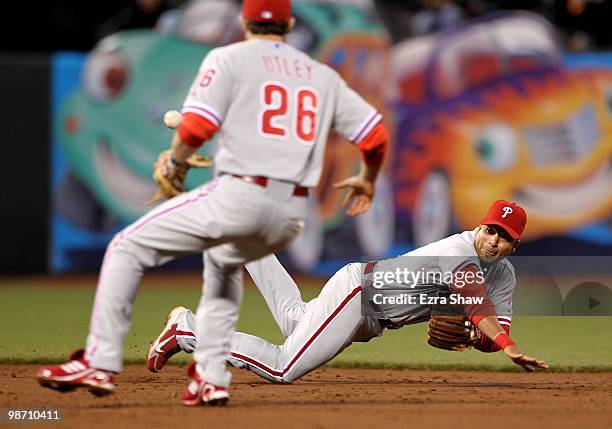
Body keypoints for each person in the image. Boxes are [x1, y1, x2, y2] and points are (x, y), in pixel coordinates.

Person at [36, 0, 389, 406]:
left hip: (241, 195)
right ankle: (211, 377)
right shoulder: (318, 74)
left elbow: (198, 127)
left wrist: (176, 162)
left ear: (244, 21)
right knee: (228, 261)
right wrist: (367, 177)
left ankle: (99, 363)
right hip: (289, 209)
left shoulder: (229, 58)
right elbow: (374, 133)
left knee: (126, 247)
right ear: (289, 24)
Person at [146, 200, 548, 391]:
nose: (494, 241)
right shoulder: (458, 250)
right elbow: (476, 302)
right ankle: (187, 330)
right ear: (480, 227)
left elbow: (493, 327)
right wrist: (507, 344)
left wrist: (482, 341)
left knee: (293, 318)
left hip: (370, 316)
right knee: (284, 367)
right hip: (359, 294)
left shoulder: (504, 275)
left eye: (505, 237)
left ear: (515, 245)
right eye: (491, 230)